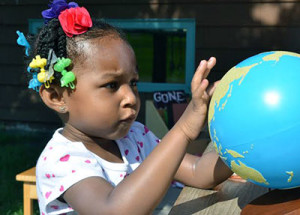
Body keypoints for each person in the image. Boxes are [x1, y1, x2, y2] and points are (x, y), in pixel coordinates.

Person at [17, 1, 233, 214]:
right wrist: (183, 129)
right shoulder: (61, 160)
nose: (130, 97)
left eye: (133, 82)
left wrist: (244, 137)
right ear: (56, 97)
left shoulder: (137, 137)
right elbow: (114, 210)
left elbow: (198, 172)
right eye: (111, 85)